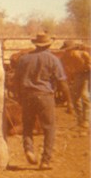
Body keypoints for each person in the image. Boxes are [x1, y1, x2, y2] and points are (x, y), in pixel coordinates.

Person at [14, 33, 73, 170]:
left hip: (27, 95)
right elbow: (62, 81)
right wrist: (69, 101)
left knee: (27, 125)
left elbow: (16, 80)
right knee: (49, 128)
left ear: (35, 44)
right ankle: (45, 160)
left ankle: (28, 149)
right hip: (45, 95)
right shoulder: (53, 59)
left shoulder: (24, 59)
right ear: (49, 44)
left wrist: (19, 96)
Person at [60, 40, 90, 128]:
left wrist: (86, 67)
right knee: (74, 96)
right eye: (66, 50)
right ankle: (80, 120)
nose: (67, 51)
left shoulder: (83, 54)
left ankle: (86, 120)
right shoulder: (65, 57)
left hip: (86, 75)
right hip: (77, 75)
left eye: (68, 49)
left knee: (84, 96)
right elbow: (65, 68)